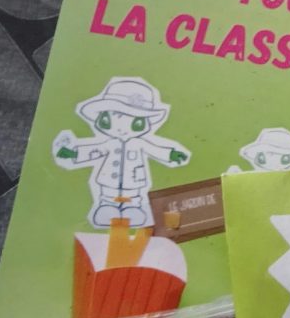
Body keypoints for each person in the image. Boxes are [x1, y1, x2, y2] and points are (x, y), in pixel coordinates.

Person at [51, 75, 191, 228]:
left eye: (135, 122)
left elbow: (155, 149)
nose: (121, 128)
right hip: (108, 182)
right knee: (108, 198)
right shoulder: (109, 143)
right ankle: (107, 207)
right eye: (111, 120)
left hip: (134, 182)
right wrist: (74, 153)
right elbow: (94, 150)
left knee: (132, 199)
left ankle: (132, 209)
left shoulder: (139, 143)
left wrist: (170, 154)